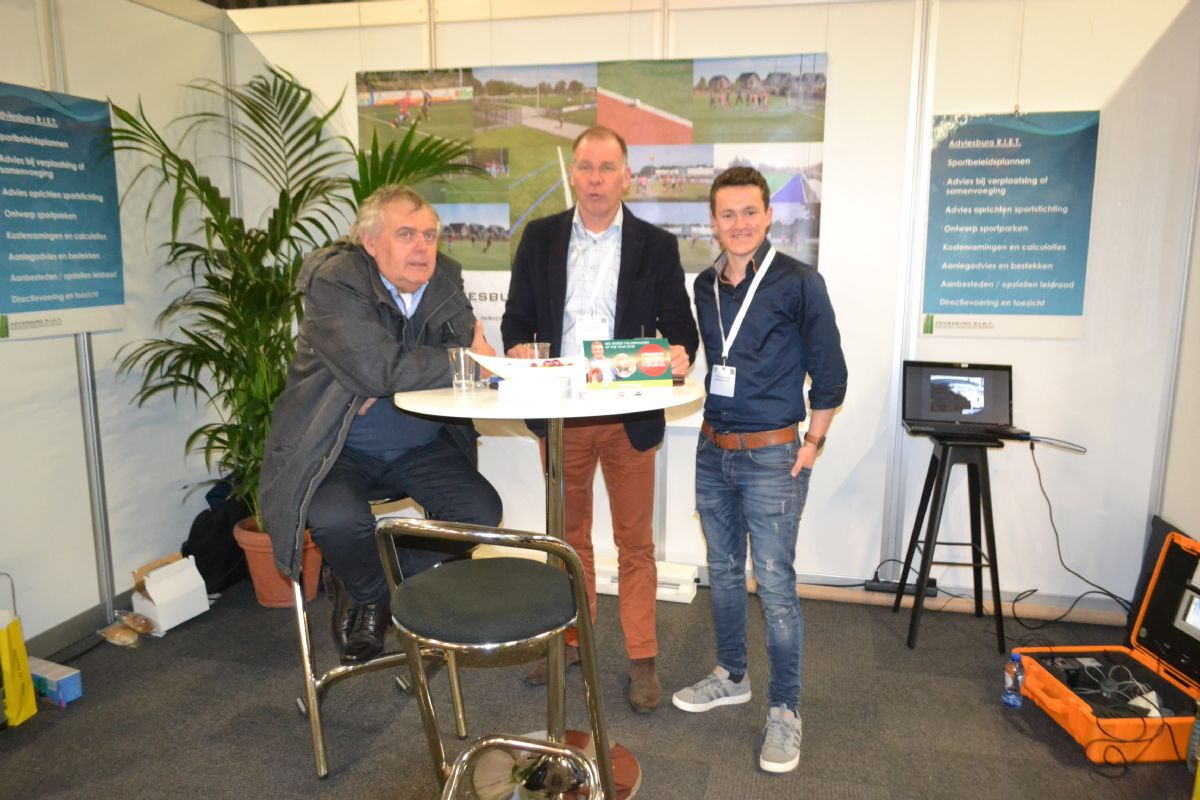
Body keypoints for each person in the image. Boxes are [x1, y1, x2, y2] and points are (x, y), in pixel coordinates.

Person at [260, 184, 502, 665]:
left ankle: (380, 587)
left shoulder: (445, 276)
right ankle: (372, 596)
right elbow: (383, 370)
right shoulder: (336, 280)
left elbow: (450, 358)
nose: (422, 247)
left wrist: (392, 372)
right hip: (339, 446)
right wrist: (446, 363)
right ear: (369, 242)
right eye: (406, 234)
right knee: (336, 519)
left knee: (480, 511)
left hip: (421, 442)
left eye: (429, 235)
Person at [501, 126, 699, 713]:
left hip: (628, 415)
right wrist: (518, 348)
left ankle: (642, 658)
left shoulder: (656, 246)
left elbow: (681, 329)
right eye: (585, 167)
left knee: (635, 543)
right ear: (573, 174)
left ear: (625, 177)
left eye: (607, 168)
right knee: (567, 541)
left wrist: (681, 353)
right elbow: (515, 320)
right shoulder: (540, 238)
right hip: (561, 416)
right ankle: (570, 642)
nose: (594, 179)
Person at [671, 167, 847, 774]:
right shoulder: (704, 285)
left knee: (773, 585)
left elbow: (830, 373)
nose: (739, 223)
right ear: (713, 222)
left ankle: (786, 709)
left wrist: (812, 443)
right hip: (712, 449)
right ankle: (731, 675)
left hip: (774, 455)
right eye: (728, 214)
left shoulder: (799, 282)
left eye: (750, 212)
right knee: (722, 573)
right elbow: (712, 356)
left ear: (769, 215)